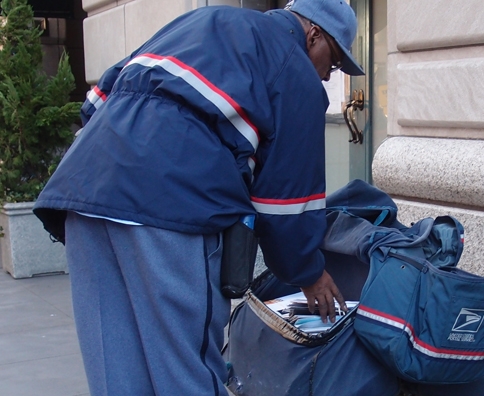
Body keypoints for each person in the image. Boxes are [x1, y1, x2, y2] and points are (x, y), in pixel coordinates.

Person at [33, 0, 363, 394]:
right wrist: (310, 272)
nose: (328, 75)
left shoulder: (202, 20)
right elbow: (286, 206)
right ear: (313, 35)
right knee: (184, 371)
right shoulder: (294, 69)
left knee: (115, 369)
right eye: (335, 62)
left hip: (84, 191)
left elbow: (98, 100)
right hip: (169, 204)